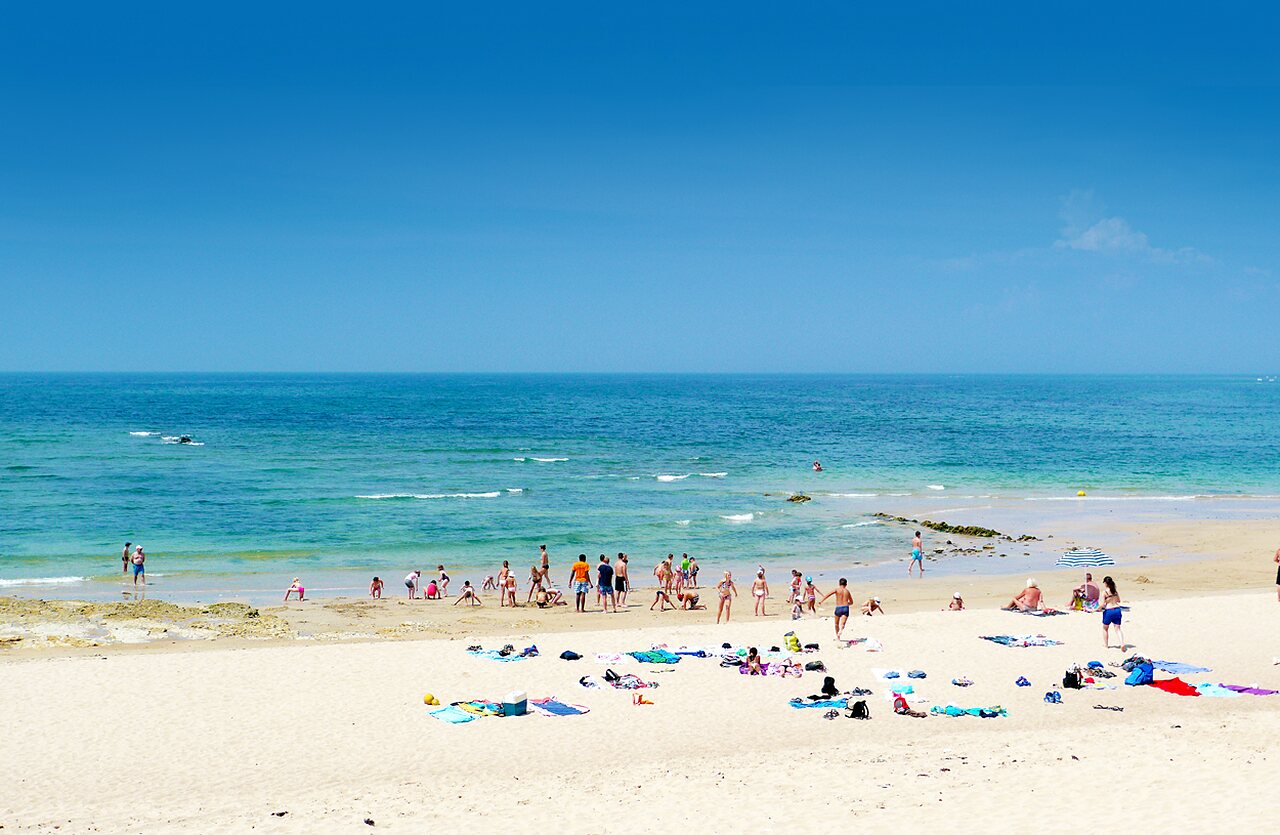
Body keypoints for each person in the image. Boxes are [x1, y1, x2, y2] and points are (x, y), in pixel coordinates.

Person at [1101, 576, 1126, 650]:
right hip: (1117, 610)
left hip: (1109, 611)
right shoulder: (1115, 591)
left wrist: (1096, 609)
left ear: (1105, 583)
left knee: (1105, 628)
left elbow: (1102, 604)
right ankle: (1122, 643)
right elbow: (1118, 600)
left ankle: (1106, 645)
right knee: (1118, 629)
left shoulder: (1105, 592)